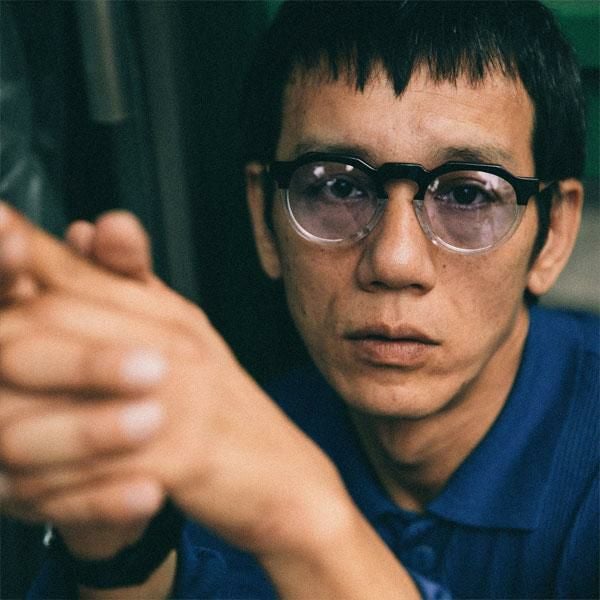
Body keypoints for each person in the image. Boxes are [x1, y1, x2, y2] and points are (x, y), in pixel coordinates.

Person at [0, 1, 597, 597]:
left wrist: (300, 519)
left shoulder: (264, 479)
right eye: (337, 187)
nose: (395, 262)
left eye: (468, 196)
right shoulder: (208, 452)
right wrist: (120, 551)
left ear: (553, 233)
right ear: (264, 218)